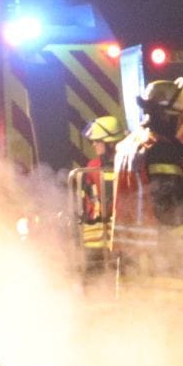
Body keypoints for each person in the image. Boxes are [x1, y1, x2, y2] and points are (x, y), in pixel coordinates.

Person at [111, 78, 183, 296]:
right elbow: (169, 211)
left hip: (134, 257)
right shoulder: (161, 150)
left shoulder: (130, 145)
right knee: (176, 325)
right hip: (162, 260)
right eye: (180, 117)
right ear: (165, 116)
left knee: (142, 324)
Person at [66, 114, 123, 284]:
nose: (93, 144)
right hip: (101, 242)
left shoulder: (91, 170)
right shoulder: (94, 169)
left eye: (97, 141)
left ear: (110, 143)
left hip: (103, 243)